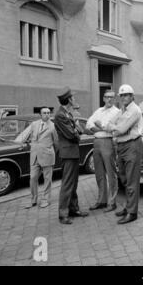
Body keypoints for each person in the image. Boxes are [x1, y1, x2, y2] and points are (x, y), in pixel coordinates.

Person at [97, 84, 143, 225]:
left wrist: (110, 128)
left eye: (126, 95)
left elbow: (121, 129)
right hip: (122, 147)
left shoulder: (134, 110)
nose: (123, 98)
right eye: (121, 95)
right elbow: (112, 124)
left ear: (132, 96)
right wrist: (113, 127)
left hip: (132, 146)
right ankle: (127, 207)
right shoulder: (122, 110)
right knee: (123, 178)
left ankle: (132, 212)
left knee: (131, 180)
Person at [54, 87, 89, 225]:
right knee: (67, 184)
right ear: (69, 99)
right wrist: (77, 133)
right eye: (73, 97)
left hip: (72, 152)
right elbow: (72, 135)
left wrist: (77, 130)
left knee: (73, 183)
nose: (75, 99)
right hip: (68, 153)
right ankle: (63, 214)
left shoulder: (68, 114)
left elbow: (77, 130)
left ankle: (74, 209)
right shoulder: (60, 115)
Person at [17, 107, 58, 209]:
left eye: (48, 113)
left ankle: (45, 200)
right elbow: (30, 138)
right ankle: (33, 199)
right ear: (40, 114)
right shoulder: (34, 124)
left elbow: (56, 143)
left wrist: (50, 152)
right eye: (44, 113)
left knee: (47, 179)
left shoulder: (53, 126)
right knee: (33, 178)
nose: (47, 115)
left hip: (47, 156)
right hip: (34, 155)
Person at [86, 90, 120, 213]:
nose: (109, 99)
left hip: (107, 142)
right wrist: (99, 127)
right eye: (107, 97)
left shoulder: (117, 112)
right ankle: (101, 200)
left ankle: (112, 202)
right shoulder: (98, 111)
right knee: (99, 173)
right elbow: (88, 124)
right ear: (103, 98)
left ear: (115, 99)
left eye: (112, 97)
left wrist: (101, 127)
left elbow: (112, 129)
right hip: (96, 142)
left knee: (111, 173)